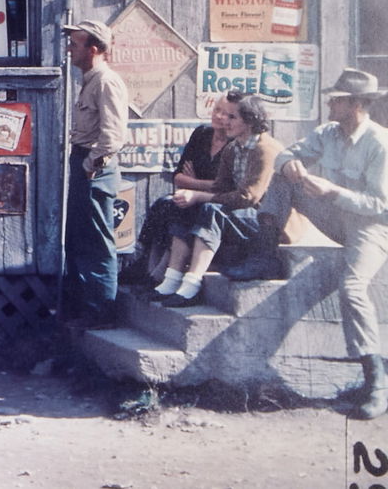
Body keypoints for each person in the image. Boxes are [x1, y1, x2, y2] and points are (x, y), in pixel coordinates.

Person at [226, 68, 388, 420]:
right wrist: (292, 164)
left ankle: (375, 380)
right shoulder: (327, 132)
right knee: (284, 180)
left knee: (353, 287)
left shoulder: (380, 143)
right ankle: (264, 254)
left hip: (371, 228)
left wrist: (335, 192)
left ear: (357, 105)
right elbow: (286, 155)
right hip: (334, 217)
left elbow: (382, 206)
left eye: (338, 99)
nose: (330, 103)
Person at [152, 92, 277, 307]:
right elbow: (221, 187)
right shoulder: (233, 148)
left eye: (232, 117)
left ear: (249, 121)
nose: (225, 122)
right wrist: (193, 197)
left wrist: (199, 194)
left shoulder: (264, 149)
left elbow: (249, 197)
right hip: (240, 213)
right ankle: (172, 279)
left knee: (210, 209)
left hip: (266, 219)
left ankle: (192, 283)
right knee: (186, 207)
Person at [122, 95, 240, 286]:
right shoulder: (202, 134)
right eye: (217, 109)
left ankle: (161, 273)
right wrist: (203, 182)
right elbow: (178, 177)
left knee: (180, 207)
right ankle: (147, 264)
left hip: (216, 201)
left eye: (227, 115)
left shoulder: (235, 146)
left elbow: (229, 187)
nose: (219, 116)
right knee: (164, 204)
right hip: (191, 195)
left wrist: (194, 182)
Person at [62, 19, 128, 329]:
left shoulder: (106, 81)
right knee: (78, 237)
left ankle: (102, 311)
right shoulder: (89, 79)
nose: (69, 49)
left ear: (94, 48)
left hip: (95, 169)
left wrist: (90, 166)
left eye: (75, 44)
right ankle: (82, 309)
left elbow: (113, 136)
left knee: (98, 241)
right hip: (83, 164)